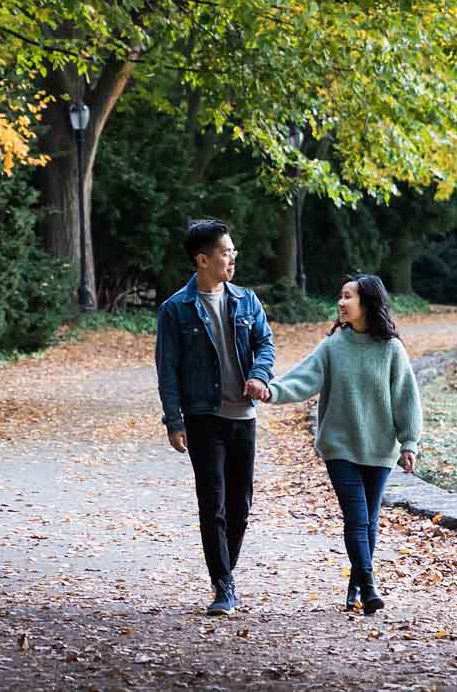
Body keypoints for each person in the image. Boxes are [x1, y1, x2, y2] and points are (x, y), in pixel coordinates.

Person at [260, 274, 421, 615]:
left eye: (348, 297)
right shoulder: (334, 346)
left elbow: (406, 398)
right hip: (340, 447)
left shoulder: (391, 349)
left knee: (369, 520)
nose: (341, 302)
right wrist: (271, 390)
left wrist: (409, 442)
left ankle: (357, 586)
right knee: (357, 518)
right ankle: (370, 585)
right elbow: (303, 379)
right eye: (341, 296)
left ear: (367, 303)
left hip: (379, 448)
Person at [155, 218, 276, 616]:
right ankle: (223, 584)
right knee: (213, 503)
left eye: (233, 251)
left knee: (241, 505)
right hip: (203, 417)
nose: (232, 258)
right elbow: (167, 368)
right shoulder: (176, 309)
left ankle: (225, 568)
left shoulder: (246, 301)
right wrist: (174, 420)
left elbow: (265, 343)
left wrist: (259, 374)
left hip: (243, 417)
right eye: (226, 252)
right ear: (202, 259)